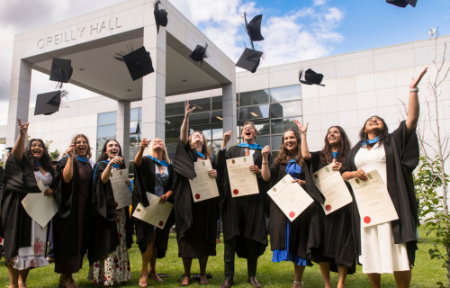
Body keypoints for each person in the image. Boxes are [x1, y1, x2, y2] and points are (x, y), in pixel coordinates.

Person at [341, 68, 427, 288]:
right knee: (369, 247)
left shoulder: (392, 141)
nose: (374, 120)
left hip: (392, 201)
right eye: (370, 120)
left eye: (378, 119)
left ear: (383, 127)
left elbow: (412, 120)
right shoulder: (356, 149)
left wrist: (412, 89)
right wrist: (352, 173)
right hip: (366, 203)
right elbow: (345, 173)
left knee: (397, 247)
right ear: (364, 128)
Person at [261, 128, 324, 288]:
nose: (289, 140)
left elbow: (314, 179)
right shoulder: (278, 160)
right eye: (286, 138)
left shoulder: (305, 158)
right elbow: (266, 177)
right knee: (286, 238)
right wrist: (264, 158)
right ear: (283, 142)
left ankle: (298, 280)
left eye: (292, 137)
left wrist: (304, 183)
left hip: (301, 205)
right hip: (282, 206)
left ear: (297, 140)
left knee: (300, 241)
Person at [297, 121, 355, 288]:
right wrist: (303, 134)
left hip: (343, 205)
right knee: (321, 243)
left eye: (335, 132)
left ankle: (341, 283)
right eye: (329, 132)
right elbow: (306, 155)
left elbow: (354, 175)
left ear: (342, 136)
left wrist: (343, 169)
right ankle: (327, 284)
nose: (331, 134)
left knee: (343, 243)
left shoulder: (350, 156)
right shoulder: (320, 156)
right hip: (323, 206)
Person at [1, 118, 55, 288]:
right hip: (22, 211)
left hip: (40, 214)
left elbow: (53, 184)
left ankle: (22, 282)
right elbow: (16, 155)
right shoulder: (22, 163)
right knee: (17, 246)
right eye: (33, 145)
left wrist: (52, 190)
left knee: (33, 249)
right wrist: (22, 134)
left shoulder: (47, 167)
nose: (36, 147)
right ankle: (12, 284)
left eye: (40, 145)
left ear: (44, 150)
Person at [216, 121, 270, 288]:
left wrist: (260, 170)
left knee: (252, 237)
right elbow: (220, 168)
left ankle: (252, 275)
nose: (248, 129)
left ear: (255, 133)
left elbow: (268, 177)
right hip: (234, 200)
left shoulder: (262, 152)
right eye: (245, 128)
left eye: (251, 128)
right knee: (230, 238)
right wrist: (224, 143)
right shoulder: (232, 150)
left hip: (253, 202)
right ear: (242, 133)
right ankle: (228, 277)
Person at [172, 102, 219, 286]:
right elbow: (183, 137)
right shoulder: (187, 153)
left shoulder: (210, 159)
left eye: (200, 135)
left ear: (205, 141)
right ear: (190, 140)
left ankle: (202, 273)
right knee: (188, 236)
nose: (197, 136)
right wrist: (186, 117)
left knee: (204, 236)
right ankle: (186, 274)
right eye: (194, 134)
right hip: (187, 202)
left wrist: (216, 174)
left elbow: (218, 182)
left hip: (206, 203)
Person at [87, 139, 133, 286]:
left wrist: (128, 183)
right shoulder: (101, 165)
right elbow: (103, 180)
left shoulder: (121, 165)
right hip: (106, 211)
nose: (114, 147)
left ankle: (118, 275)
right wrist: (110, 164)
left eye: (116, 145)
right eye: (110, 146)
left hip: (120, 211)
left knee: (120, 242)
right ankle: (106, 276)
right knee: (107, 241)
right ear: (106, 151)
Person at [52, 134, 96, 287]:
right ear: (74, 145)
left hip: (84, 209)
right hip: (71, 209)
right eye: (78, 142)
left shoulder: (89, 163)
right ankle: (64, 277)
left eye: (85, 142)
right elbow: (66, 179)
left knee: (79, 243)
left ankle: (70, 276)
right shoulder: (67, 160)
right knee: (69, 241)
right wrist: (70, 158)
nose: (82, 144)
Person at [133, 137, 176, 287]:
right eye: (155, 141)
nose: (158, 142)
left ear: (164, 147)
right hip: (148, 203)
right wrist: (141, 149)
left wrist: (169, 194)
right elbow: (137, 165)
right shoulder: (146, 160)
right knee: (149, 238)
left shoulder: (169, 166)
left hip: (163, 205)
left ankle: (153, 270)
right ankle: (144, 272)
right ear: (151, 146)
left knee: (157, 240)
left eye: (161, 141)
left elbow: (173, 185)